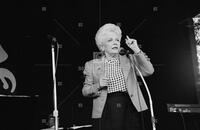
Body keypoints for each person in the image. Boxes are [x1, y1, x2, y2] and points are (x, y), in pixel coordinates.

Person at [82, 23, 154, 130]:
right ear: (102, 46)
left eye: (117, 40)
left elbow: (149, 71)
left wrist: (136, 49)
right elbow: (85, 91)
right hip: (106, 108)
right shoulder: (91, 64)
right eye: (110, 40)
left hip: (129, 106)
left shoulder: (130, 59)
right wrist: (99, 84)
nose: (115, 43)